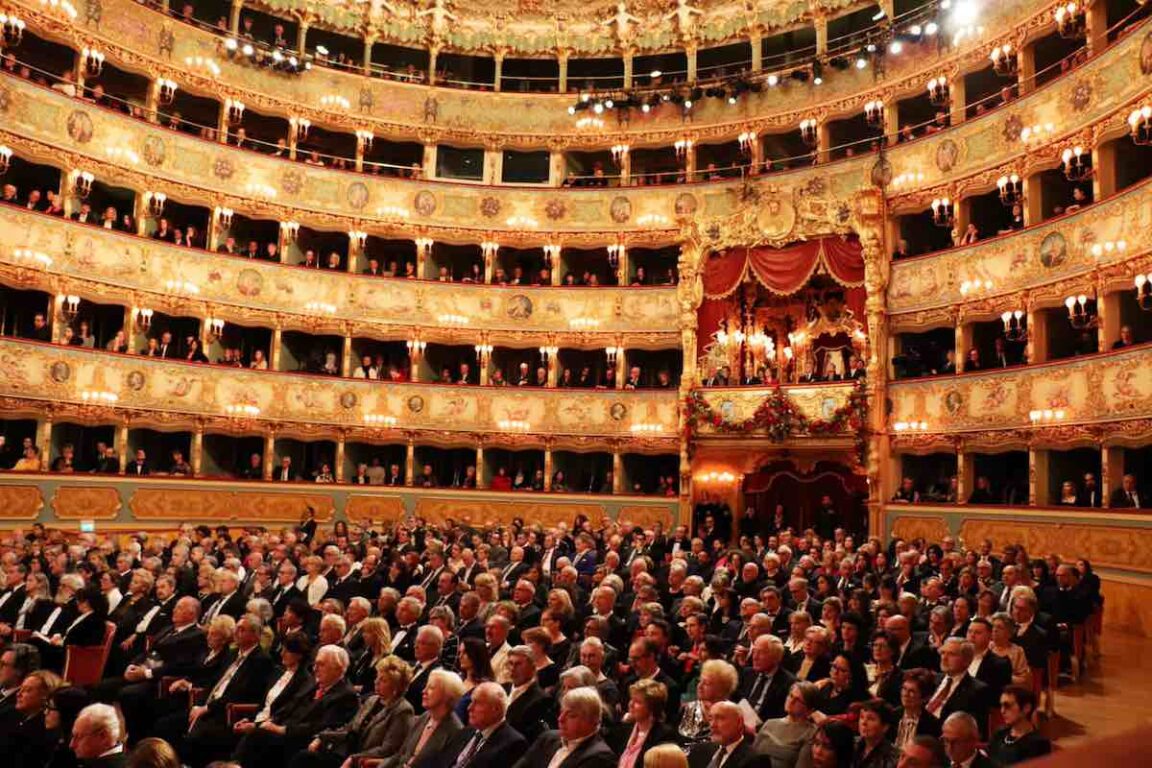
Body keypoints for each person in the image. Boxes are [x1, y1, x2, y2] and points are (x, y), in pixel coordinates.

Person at [511, 686, 615, 768]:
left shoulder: (600, 757)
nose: (560, 719)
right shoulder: (547, 738)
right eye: (561, 712)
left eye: (571, 715)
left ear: (592, 720)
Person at [986, 685, 1050, 765]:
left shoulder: (1039, 744)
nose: (1002, 711)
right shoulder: (999, 734)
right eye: (1001, 706)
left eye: (1007, 706)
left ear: (1026, 708)